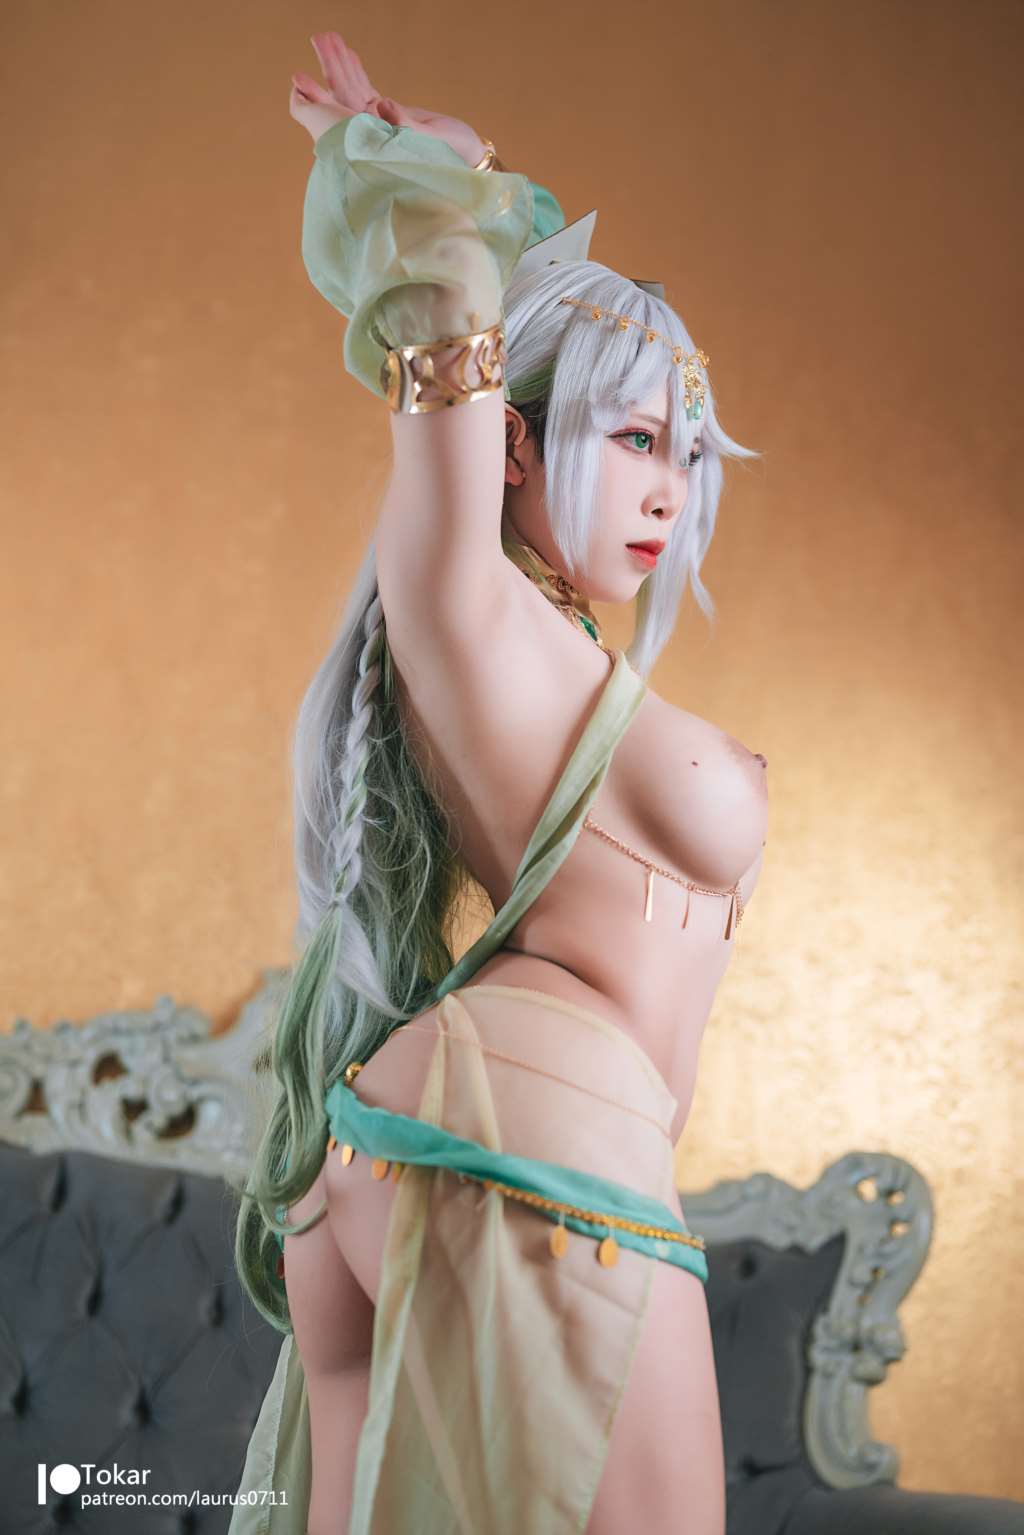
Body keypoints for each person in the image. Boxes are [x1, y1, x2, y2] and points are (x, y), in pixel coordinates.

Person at [227, 28, 768, 1535]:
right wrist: (433, 187)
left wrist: (473, 174)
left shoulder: (523, 650)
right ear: (511, 445)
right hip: (528, 1136)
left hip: (417, 1139)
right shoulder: (465, 606)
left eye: (689, 454)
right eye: (637, 439)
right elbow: (452, 346)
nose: (669, 490)